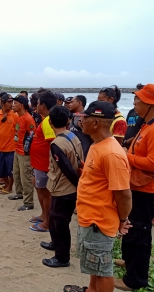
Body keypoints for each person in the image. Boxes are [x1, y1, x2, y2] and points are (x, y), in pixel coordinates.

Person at [64, 101, 132, 292]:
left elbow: (124, 194)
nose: (80, 121)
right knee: (95, 266)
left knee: (103, 269)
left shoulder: (111, 153)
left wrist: (122, 219)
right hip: (90, 217)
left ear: (96, 123)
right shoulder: (97, 145)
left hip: (99, 221)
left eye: (84, 118)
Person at [115, 84, 154, 291]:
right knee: (131, 227)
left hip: (146, 190)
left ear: (149, 104)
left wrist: (126, 156)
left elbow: (152, 163)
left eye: (138, 100)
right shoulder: (146, 125)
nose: (135, 103)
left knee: (139, 232)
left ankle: (135, 280)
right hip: (137, 186)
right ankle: (129, 261)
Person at [41, 105, 83, 268]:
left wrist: (78, 187)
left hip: (64, 189)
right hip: (66, 187)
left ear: (50, 122)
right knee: (56, 219)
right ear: (68, 121)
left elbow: (67, 169)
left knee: (60, 222)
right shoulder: (73, 135)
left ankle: (62, 257)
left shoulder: (56, 144)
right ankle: (55, 243)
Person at [29, 91, 57, 232]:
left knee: (46, 194)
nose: (36, 105)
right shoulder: (45, 119)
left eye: (38, 103)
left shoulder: (48, 121)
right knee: (39, 190)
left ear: (43, 105)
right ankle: (43, 215)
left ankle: (47, 222)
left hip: (44, 164)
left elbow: (53, 144)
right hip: (39, 164)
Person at [8, 96, 36, 211]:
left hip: (25, 153)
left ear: (22, 105)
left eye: (15, 103)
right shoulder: (19, 117)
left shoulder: (28, 119)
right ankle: (19, 193)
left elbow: (33, 135)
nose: (12, 105)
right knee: (16, 173)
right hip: (17, 150)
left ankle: (29, 202)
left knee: (26, 177)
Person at [0, 94, 16, 194]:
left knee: (10, 170)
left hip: (11, 148)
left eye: (12, 102)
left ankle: (10, 187)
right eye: (8, 102)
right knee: (1, 168)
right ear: (3, 103)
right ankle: (6, 184)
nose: (11, 104)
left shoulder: (15, 115)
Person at [122, 83, 146, 149]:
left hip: (136, 146)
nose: (135, 101)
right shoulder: (131, 112)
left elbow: (141, 134)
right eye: (135, 97)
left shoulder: (146, 115)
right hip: (126, 146)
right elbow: (126, 127)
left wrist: (126, 142)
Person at [69, 95, 92, 159]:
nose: (69, 104)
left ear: (79, 103)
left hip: (83, 156)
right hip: (74, 154)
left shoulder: (84, 118)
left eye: (72, 102)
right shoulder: (74, 116)